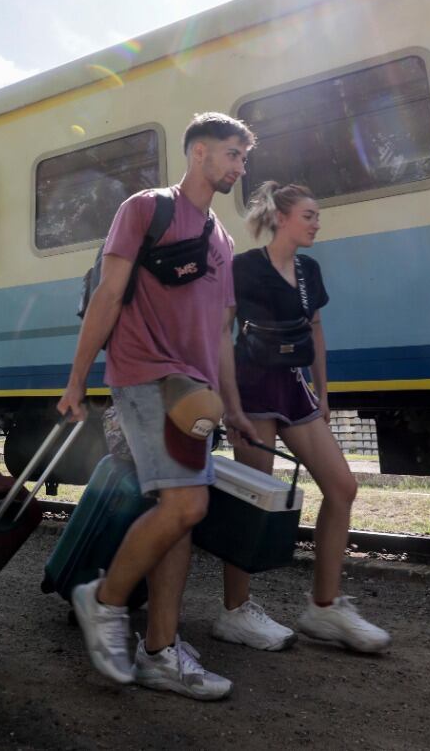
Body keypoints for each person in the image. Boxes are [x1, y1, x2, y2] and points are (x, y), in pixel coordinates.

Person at [58, 112, 255, 701]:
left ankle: (160, 650)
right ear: (198, 153)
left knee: (181, 512)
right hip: (146, 375)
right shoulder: (146, 209)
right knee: (186, 503)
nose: (238, 168)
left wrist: (233, 404)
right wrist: (76, 381)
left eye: (243, 159)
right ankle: (106, 598)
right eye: (230, 155)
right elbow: (108, 295)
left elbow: (222, 333)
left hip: (194, 391)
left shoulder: (222, 238)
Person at [217, 181, 390, 653]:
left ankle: (324, 608)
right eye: (310, 215)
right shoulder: (244, 268)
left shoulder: (310, 271)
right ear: (283, 218)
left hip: (294, 389)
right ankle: (235, 612)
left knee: (341, 486)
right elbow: (220, 333)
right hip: (252, 389)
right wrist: (229, 406)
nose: (317, 223)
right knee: (253, 500)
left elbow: (315, 331)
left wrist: (322, 393)